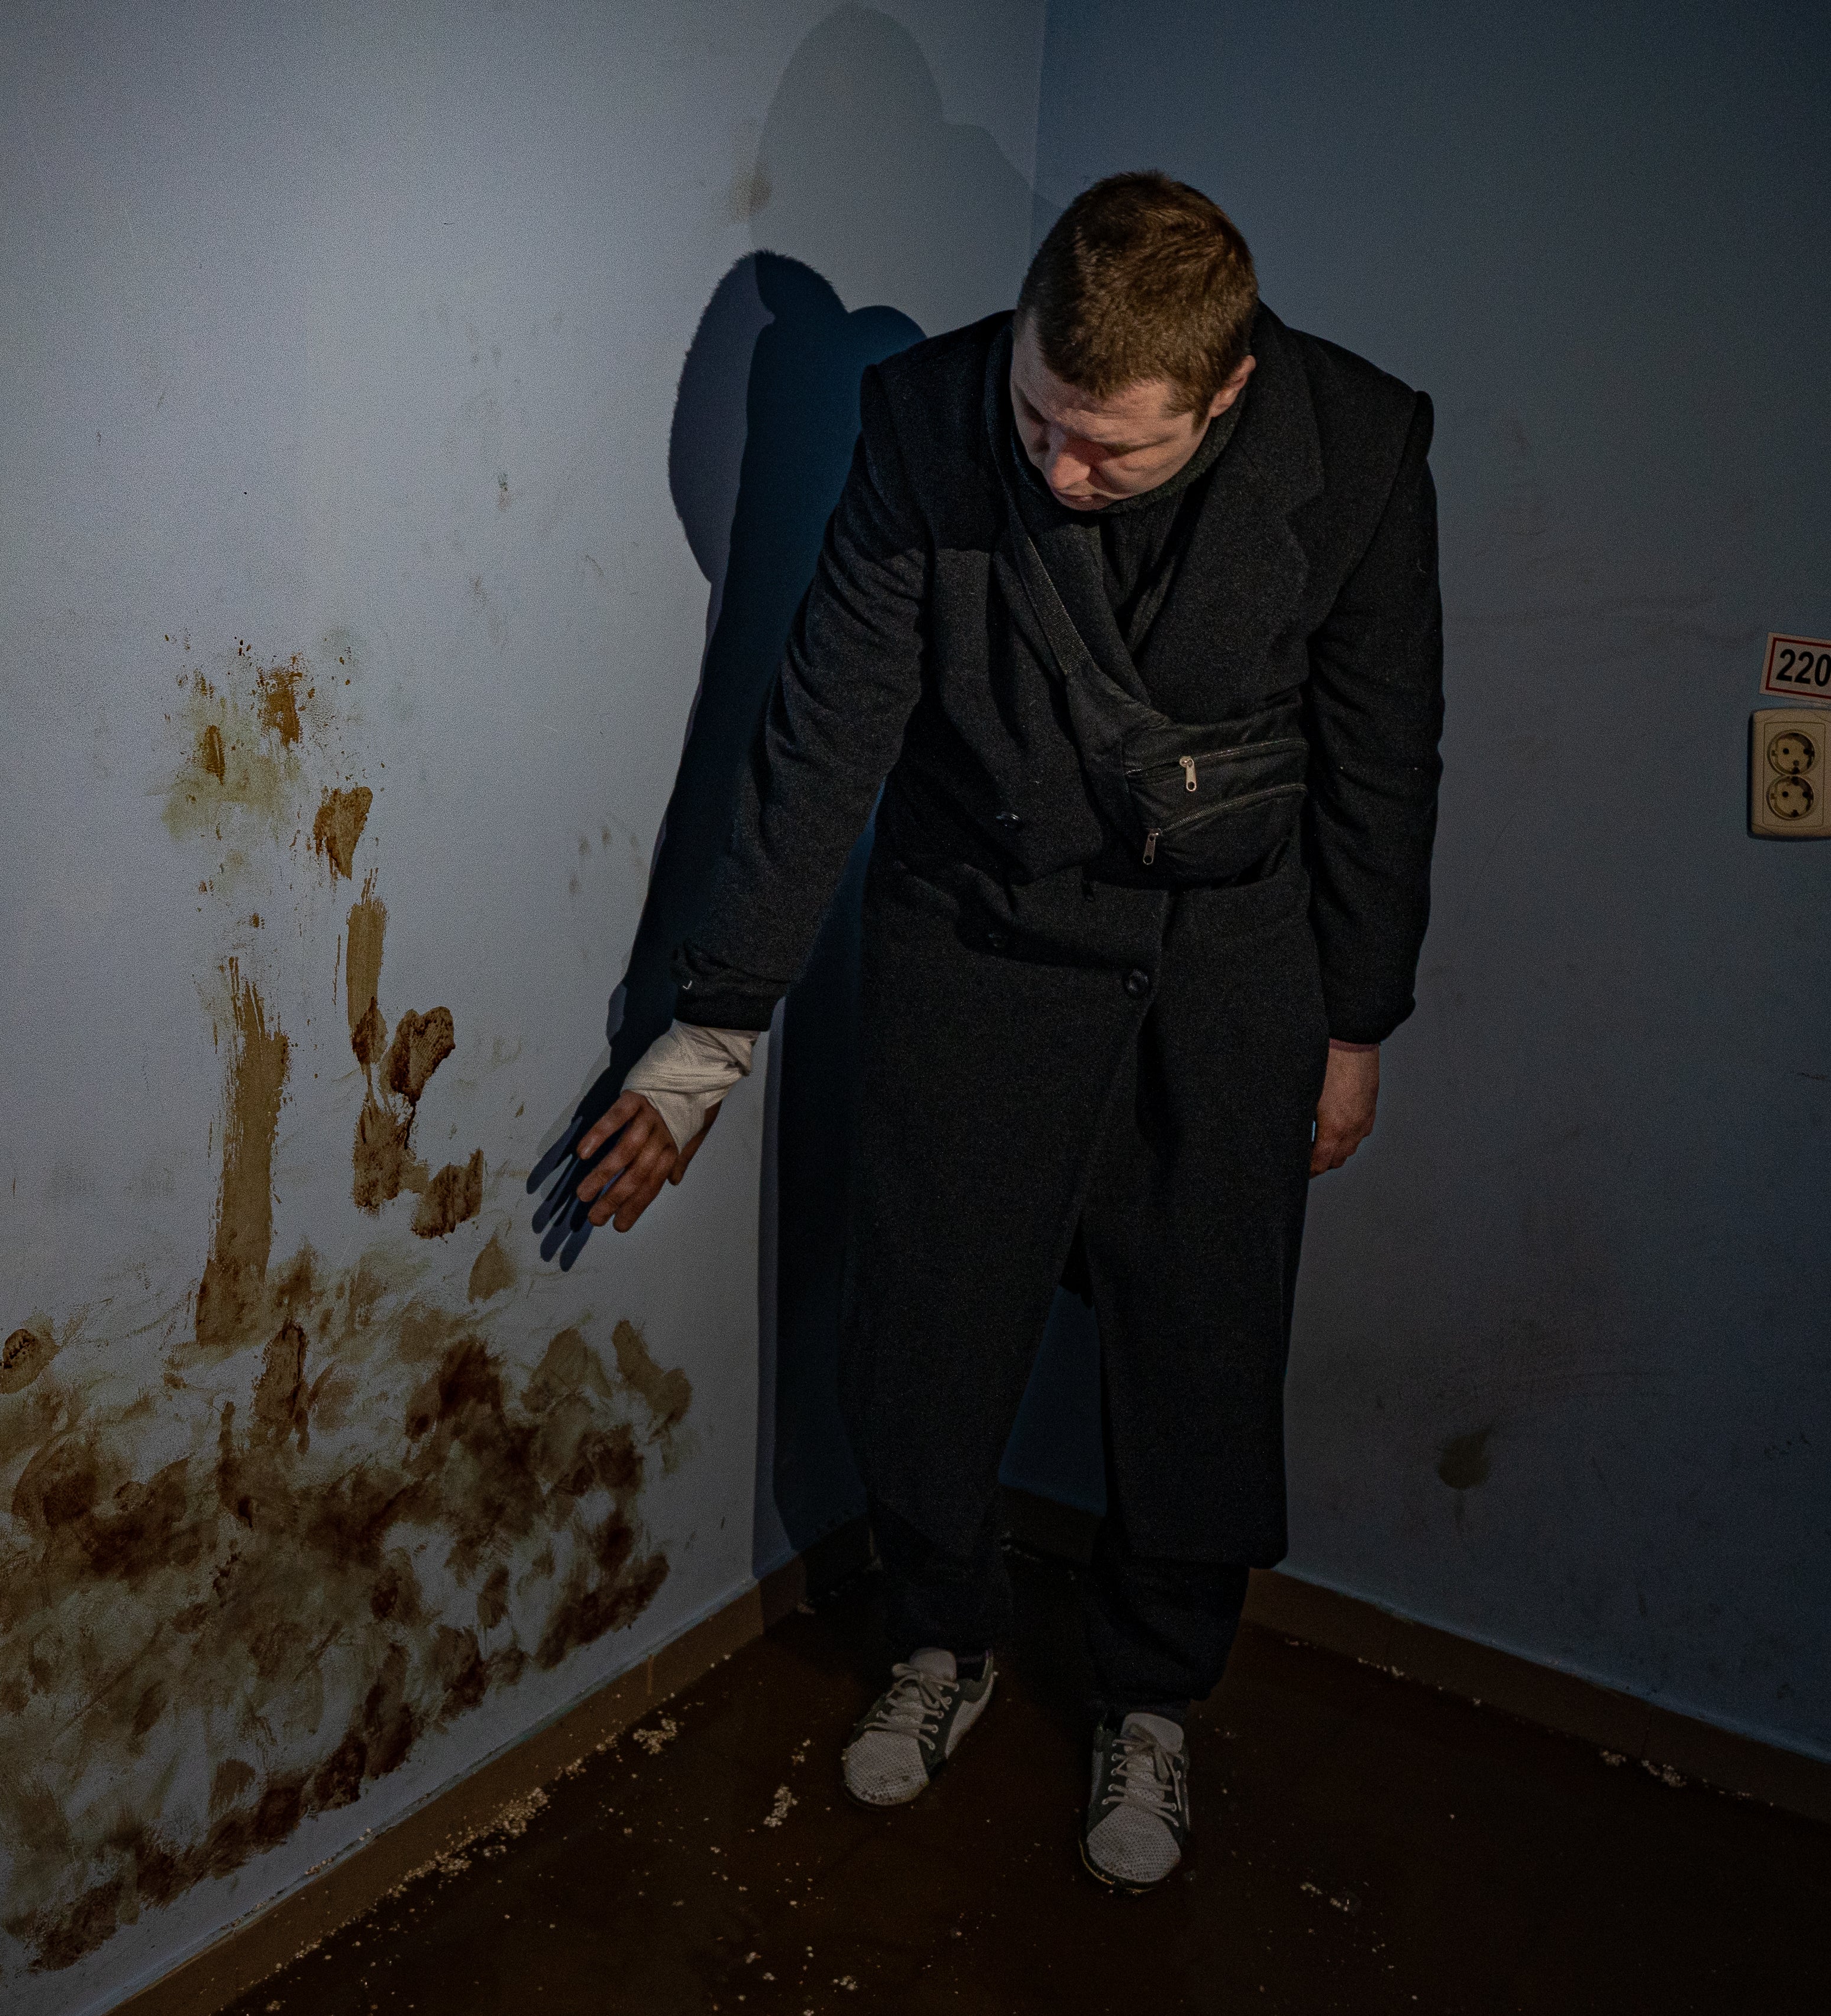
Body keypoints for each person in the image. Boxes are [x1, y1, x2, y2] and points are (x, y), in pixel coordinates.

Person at [561, 172, 1442, 1891]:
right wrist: (709, 1032)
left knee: (1200, 1349)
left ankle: (1154, 1699)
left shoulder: (1362, 447)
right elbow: (824, 733)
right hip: (975, 937)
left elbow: (1387, 761)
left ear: (1229, 389)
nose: (1057, 472)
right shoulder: (927, 417)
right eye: (1040, 418)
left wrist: (1357, 1021)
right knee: (925, 1332)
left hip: (1233, 960)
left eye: (1112, 450)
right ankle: (939, 1639)